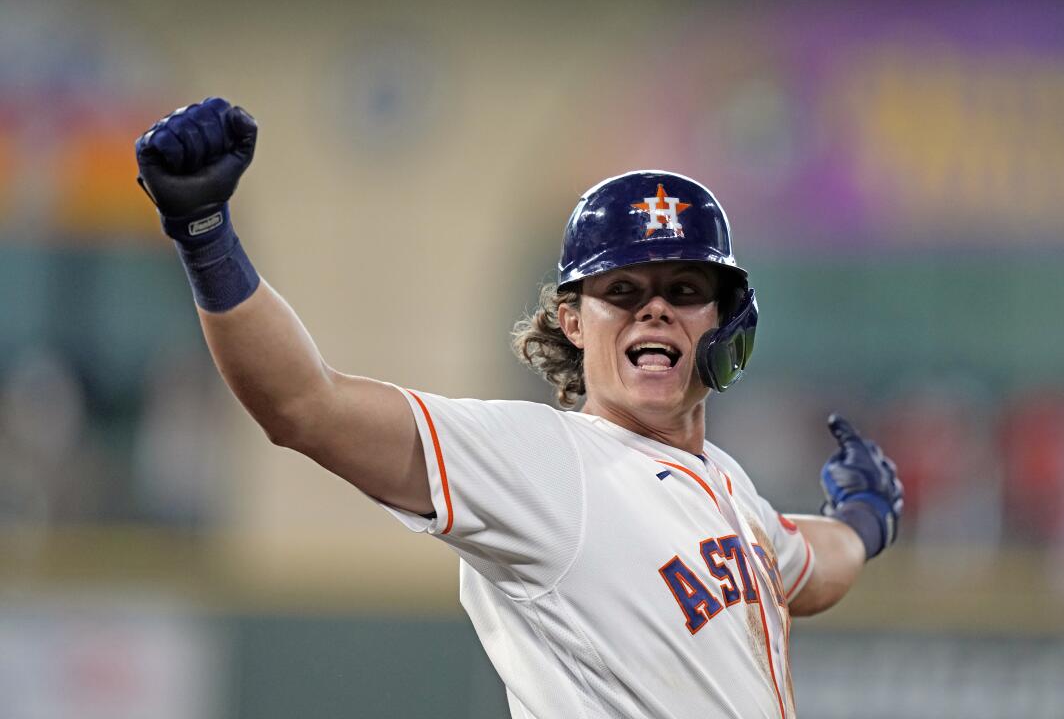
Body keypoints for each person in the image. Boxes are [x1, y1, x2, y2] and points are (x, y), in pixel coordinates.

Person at [134, 97, 903, 719]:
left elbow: (805, 565)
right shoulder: (545, 461)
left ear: (728, 321)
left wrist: (866, 518)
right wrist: (206, 236)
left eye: (686, 292)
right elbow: (304, 406)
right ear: (572, 321)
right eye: (622, 293)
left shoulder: (731, 489)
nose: (655, 313)